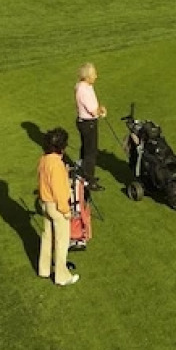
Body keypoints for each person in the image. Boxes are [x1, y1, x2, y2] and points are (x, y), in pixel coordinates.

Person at [37, 128, 80, 286]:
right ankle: (62, 276)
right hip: (57, 207)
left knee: (47, 237)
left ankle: (44, 269)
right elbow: (60, 191)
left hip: (45, 204)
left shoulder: (44, 159)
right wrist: (66, 211)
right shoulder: (56, 164)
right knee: (62, 242)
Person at [75, 62, 107, 190]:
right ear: (87, 76)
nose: (96, 76)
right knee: (91, 152)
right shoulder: (83, 90)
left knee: (86, 149)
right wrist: (102, 110)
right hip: (88, 124)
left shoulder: (85, 86)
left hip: (87, 123)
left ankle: (84, 173)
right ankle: (89, 180)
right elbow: (93, 111)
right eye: (94, 74)